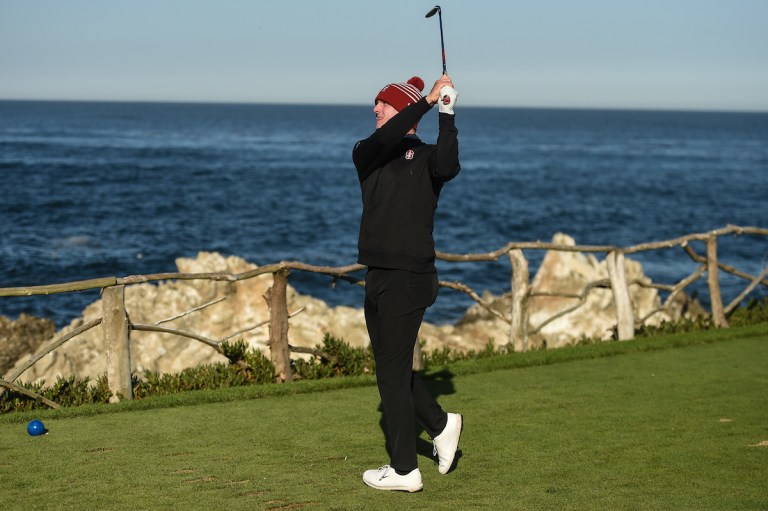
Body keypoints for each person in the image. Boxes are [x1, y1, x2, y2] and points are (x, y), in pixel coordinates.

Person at [353, 74, 463, 492]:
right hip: (376, 275)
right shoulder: (367, 151)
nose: (375, 110)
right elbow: (388, 138)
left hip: (410, 278)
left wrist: (446, 112)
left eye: (383, 104)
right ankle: (441, 423)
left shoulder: (429, 155)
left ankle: (404, 470)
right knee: (391, 368)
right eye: (375, 105)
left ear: (402, 110)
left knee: (391, 376)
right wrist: (426, 101)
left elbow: (449, 166)